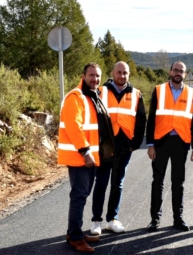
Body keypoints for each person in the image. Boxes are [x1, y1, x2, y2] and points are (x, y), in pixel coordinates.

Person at [58, 63, 114, 253]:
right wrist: (86, 151)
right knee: (79, 196)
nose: (95, 79)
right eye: (91, 75)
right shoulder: (76, 96)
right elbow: (74, 126)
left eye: (98, 76)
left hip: (89, 157)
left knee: (82, 196)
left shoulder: (93, 96)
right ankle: (75, 238)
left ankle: (75, 232)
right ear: (83, 75)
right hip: (80, 157)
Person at [90, 61, 147, 235]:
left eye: (125, 73)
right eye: (119, 72)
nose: (122, 76)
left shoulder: (136, 94)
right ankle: (96, 221)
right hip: (104, 146)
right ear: (112, 73)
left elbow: (141, 121)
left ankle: (112, 219)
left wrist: (135, 144)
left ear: (129, 74)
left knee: (118, 183)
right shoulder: (101, 91)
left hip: (125, 147)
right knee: (101, 183)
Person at [146, 61, 193, 232]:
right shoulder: (158, 90)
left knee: (178, 183)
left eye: (181, 71)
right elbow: (151, 119)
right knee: (158, 182)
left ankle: (178, 218)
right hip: (161, 142)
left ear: (185, 74)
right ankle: (155, 219)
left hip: (181, 143)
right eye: (175, 70)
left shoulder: (192, 93)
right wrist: (150, 144)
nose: (178, 73)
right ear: (170, 72)